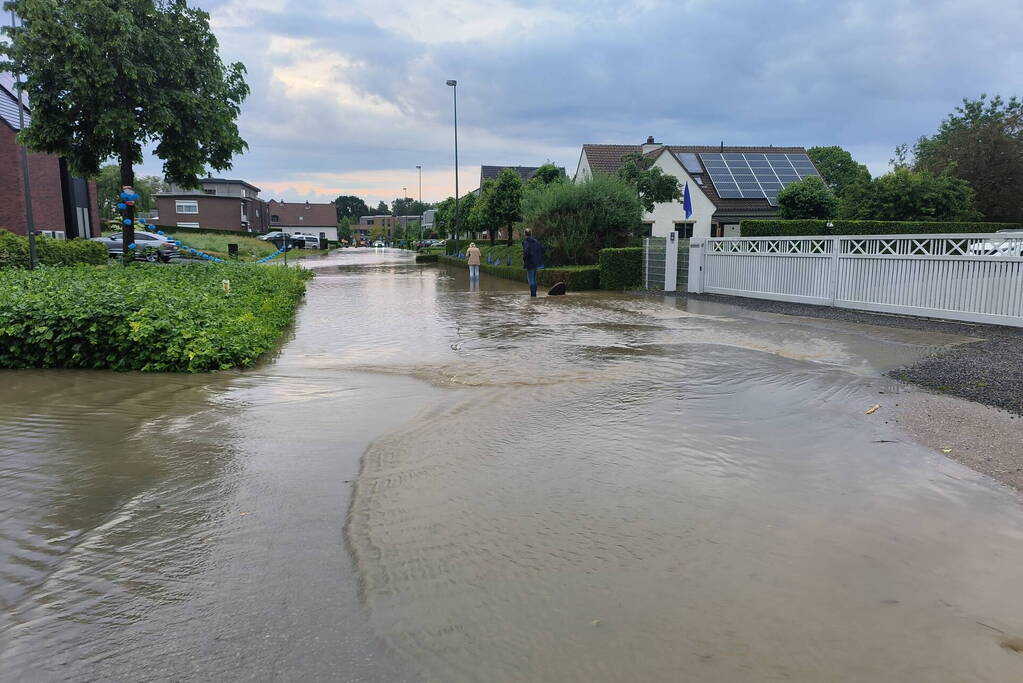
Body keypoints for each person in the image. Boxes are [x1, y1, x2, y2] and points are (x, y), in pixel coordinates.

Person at [521, 229, 544, 297]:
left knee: (530, 279)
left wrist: (524, 259)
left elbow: (526, 252)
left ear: (525, 234)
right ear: (531, 234)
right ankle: (534, 294)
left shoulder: (526, 242)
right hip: (536, 263)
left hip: (529, 263)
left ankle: (533, 295)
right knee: (534, 279)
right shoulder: (536, 242)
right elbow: (541, 249)